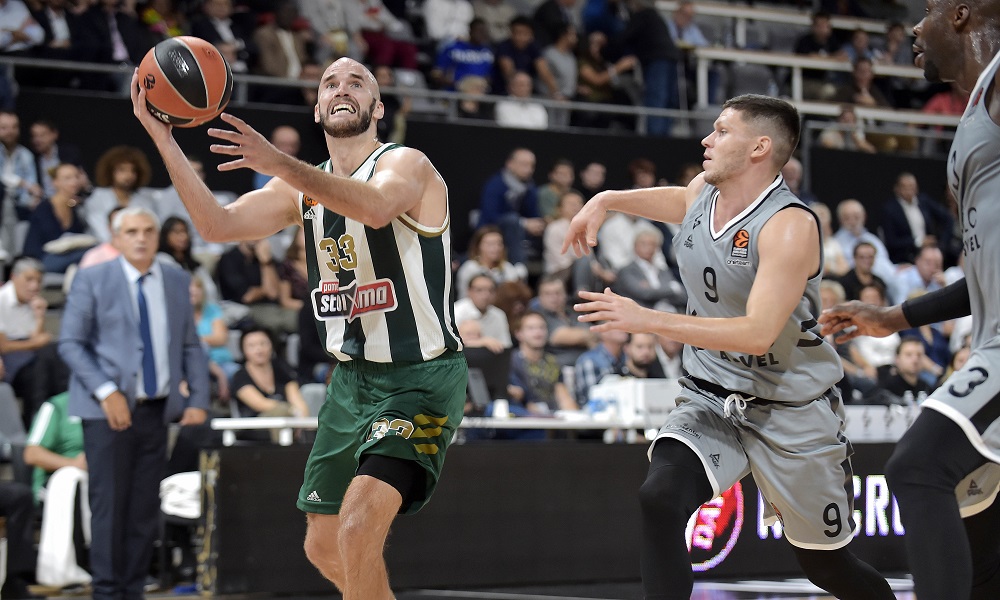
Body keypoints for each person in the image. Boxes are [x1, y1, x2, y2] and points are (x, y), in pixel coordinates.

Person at [130, 56, 467, 599]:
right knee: (322, 545)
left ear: (378, 107)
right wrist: (163, 140)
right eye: (330, 83)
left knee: (358, 524)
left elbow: (377, 208)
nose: (342, 87)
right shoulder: (299, 191)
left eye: (357, 82)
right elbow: (217, 225)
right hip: (351, 383)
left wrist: (278, 162)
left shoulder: (407, 163)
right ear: (317, 109)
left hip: (421, 379)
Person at [563, 94, 894, 600]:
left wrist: (646, 319)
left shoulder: (789, 225)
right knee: (660, 497)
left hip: (789, 408)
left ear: (759, 147)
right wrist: (607, 199)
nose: (706, 139)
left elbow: (757, 332)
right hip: (711, 394)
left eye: (721, 131)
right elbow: (682, 201)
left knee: (826, 566)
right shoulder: (706, 190)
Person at [821, 2, 1000, 592]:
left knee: (920, 466)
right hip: (989, 342)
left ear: (962, 14)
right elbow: (982, 279)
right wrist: (895, 316)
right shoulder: (974, 110)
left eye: (927, 10)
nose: (915, 28)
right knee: (978, 522)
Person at [58, 206, 210, 600]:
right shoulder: (92, 278)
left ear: (157, 237)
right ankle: (107, 591)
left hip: (157, 408)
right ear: (115, 238)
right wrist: (106, 391)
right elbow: (70, 343)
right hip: (106, 411)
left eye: (147, 231)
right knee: (109, 506)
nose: (141, 238)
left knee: (144, 508)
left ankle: (133, 590)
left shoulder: (176, 278)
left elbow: (190, 344)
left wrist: (198, 397)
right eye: (131, 232)